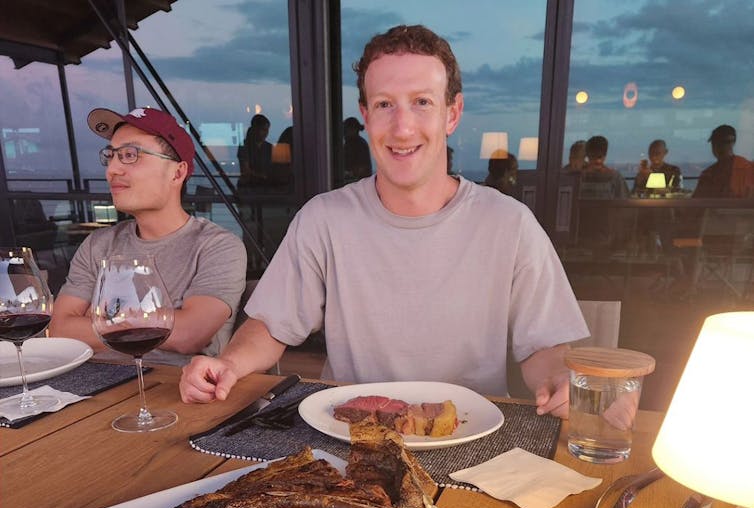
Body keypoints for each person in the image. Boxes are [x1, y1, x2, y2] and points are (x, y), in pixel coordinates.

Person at [180, 24, 588, 417]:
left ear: (453, 112)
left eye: (422, 102)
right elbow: (271, 327)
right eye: (384, 104)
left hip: (472, 437)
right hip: (349, 435)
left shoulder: (510, 223)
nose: (403, 126)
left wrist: (559, 380)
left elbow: (545, 346)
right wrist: (230, 363)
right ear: (366, 116)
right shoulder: (324, 218)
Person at [49, 107, 246, 365]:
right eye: (110, 156)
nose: (112, 170)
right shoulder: (98, 245)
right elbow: (61, 330)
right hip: (94, 389)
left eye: (130, 155)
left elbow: (189, 335)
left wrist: (95, 320)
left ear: (177, 173)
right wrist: (159, 321)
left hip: (176, 393)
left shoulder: (216, 246)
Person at [693, 124, 754, 198]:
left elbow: (696, 205)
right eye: (715, 143)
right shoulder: (750, 168)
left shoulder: (709, 174)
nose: (717, 147)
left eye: (723, 142)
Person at [238, 114, 273, 187]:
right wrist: (264, 176)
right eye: (263, 130)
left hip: (266, 187)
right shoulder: (244, 146)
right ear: (255, 129)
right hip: (249, 187)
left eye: (267, 130)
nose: (266, 133)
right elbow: (245, 170)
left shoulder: (269, 147)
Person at [343, 116, 373, 181]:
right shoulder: (353, 143)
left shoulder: (358, 144)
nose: (344, 133)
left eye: (346, 129)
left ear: (354, 129)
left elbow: (362, 169)